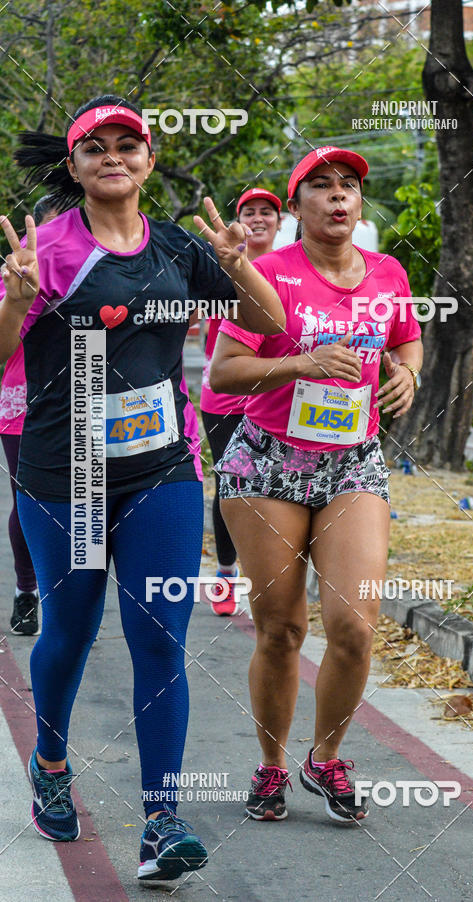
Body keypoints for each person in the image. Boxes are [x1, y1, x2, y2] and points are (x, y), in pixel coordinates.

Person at [0, 95, 284, 878]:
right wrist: (18, 299)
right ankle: (51, 766)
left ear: (151, 161)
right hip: (69, 476)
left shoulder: (179, 247)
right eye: (98, 147)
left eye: (130, 144)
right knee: (72, 631)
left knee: (161, 637)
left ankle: (162, 820)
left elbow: (271, 325)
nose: (114, 156)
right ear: (76, 165)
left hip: (163, 468)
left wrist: (237, 264)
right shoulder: (46, 250)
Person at [209, 146, 423, 823]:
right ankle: (271, 765)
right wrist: (299, 363)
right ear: (296, 205)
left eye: (349, 187)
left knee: (355, 626)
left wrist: (408, 372)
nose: (338, 197)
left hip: (352, 463)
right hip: (267, 465)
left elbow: (405, 338)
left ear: (359, 205)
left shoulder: (387, 273)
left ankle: (324, 756)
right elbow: (224, 373)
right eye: (322, 187)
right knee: (281, 630)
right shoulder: (266, 272)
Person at [200, 188, 282, 616]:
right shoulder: (221, 262)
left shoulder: (292, 269)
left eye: (266, 212)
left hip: (276, 393)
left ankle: (268, 576)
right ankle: (228, 574)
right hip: (226, 396)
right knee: (230, 483)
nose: (257, 218)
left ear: (280, 221)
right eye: (249, 211)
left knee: (273, 487)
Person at [1, 196, 58, 635]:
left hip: (89, 396)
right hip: (25, 402)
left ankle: (73, 600)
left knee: (89, 502)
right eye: (54, 228)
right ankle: (27, 589)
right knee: (30, 501)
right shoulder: (17, 266)